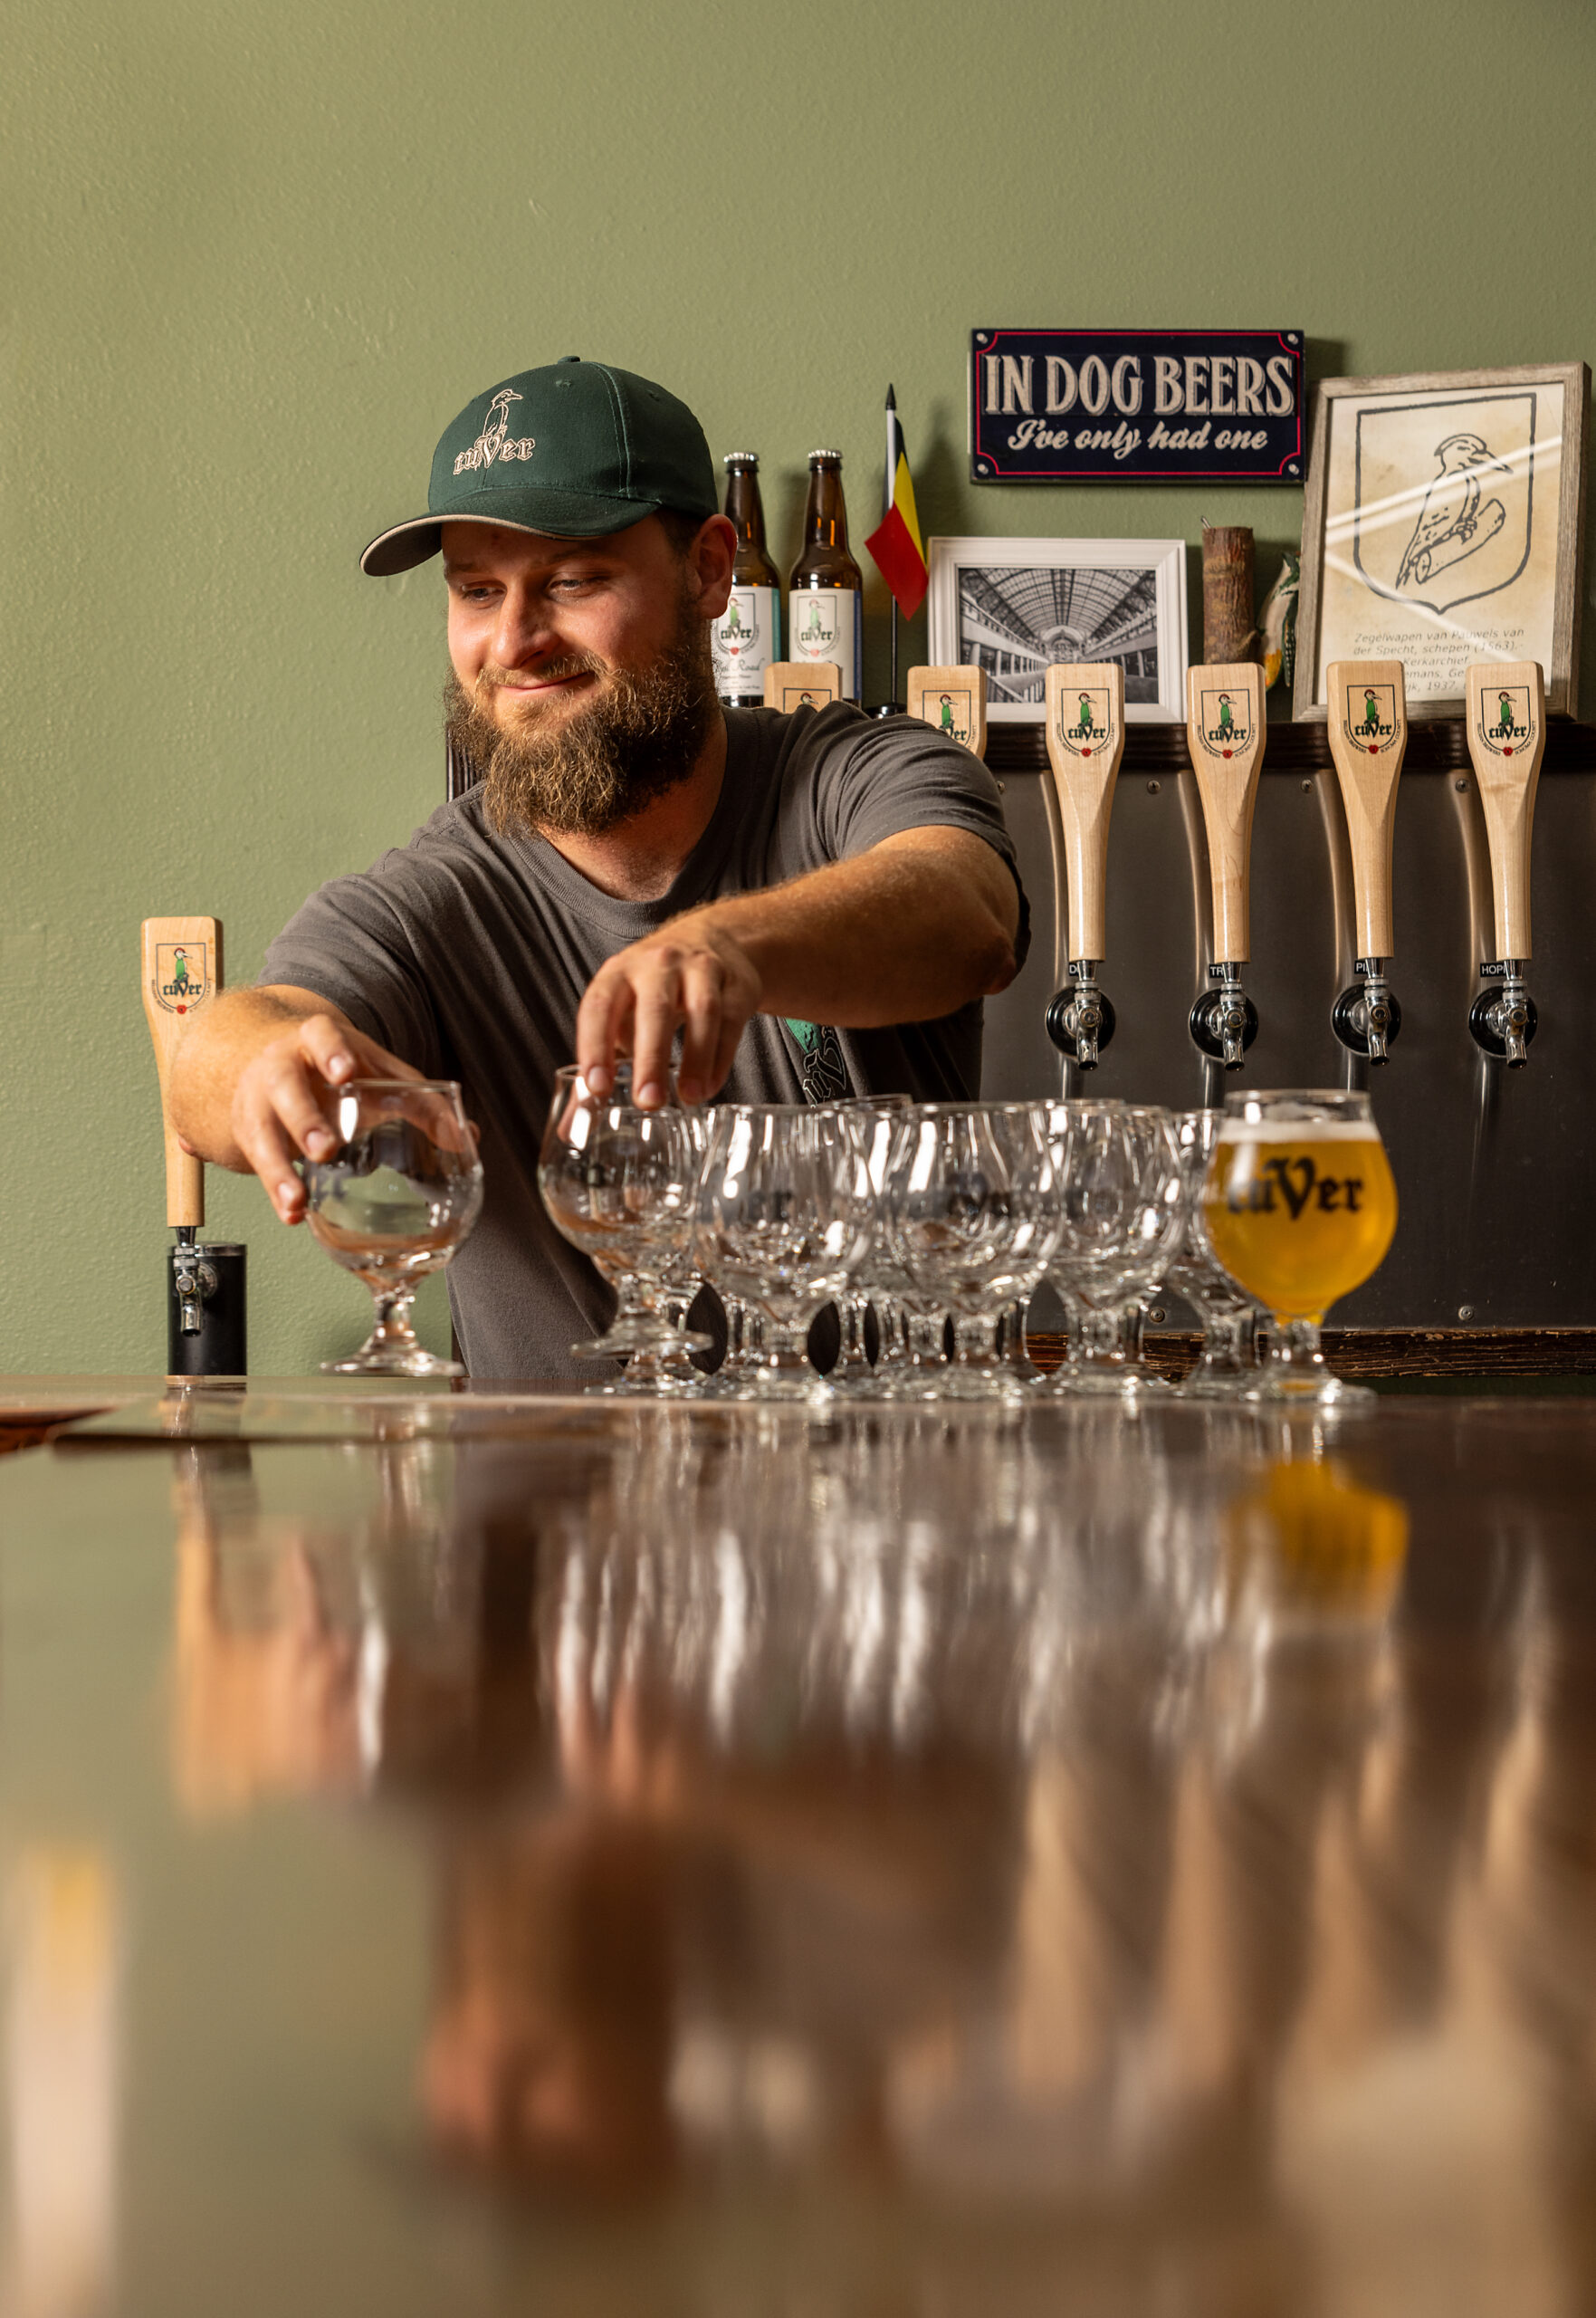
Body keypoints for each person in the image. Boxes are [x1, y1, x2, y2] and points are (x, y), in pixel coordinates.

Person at [170, 359, 1027, 1377]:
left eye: (572, 581)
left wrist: (733, 946)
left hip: (886, 1510)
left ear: (710, 571)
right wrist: (262, 1064)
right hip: (553, 1526)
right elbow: (216, 1055)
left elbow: (963, 910)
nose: (515, 641)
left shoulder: (854, 770)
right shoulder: (437, 893)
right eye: (477, 591)